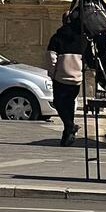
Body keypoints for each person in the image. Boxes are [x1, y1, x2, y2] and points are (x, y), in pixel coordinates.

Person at [46, 11, 86, 147]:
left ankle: (70, 126)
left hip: (61, 77)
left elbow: (52, 58)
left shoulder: (57, 37)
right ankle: (67, 134)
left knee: (58, 103)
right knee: (69, 105)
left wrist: (52, 74)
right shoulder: (82, 38)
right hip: (77, 79)